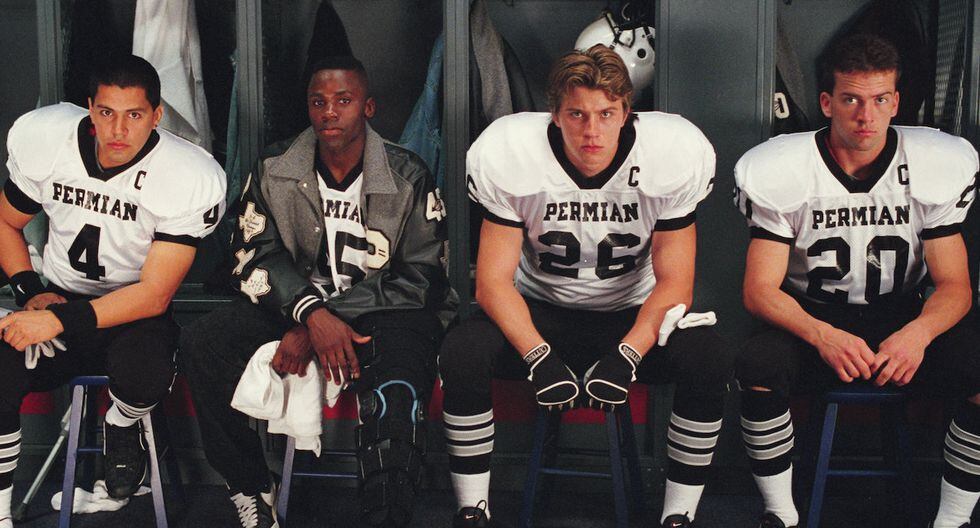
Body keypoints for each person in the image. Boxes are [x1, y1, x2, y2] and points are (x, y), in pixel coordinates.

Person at [440, 45, 732, 528]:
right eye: (576, 114)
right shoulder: (513, 153)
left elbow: (676, 284)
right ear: (555, 115)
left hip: (632, 314)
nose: (591, 130)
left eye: (605, 114)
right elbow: (492, 283)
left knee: (709, 357)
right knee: (462, 350)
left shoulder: (670, 154)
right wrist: (538, 356)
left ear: (626, 112)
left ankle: (678, 515)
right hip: (540, 310)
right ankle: (473, 510)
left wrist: (628, 355)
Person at [180, 55, 456, 528]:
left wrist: (330, 318)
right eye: (318, 102)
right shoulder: (275, 167)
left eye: (343, 101)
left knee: (397, 393)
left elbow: (422, 275)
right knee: (204, 342)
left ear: (368, 107)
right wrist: (311, 314)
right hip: (293, 305)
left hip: (384, 310)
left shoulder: (407, 173)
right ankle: (250, 486)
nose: (329, 112)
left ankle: (387, 515)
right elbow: (251, 253)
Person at [734, 33, 980, 528]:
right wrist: (822, 335)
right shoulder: (786, 168)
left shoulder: (931, 163)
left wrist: (918, 334)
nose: (866, 116)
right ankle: (780, 513)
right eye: (851, 100)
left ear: (896, 103)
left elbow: (955, 286)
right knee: (758, 365)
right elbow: (759, 290)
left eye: (880, 100)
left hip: (901, 317)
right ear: (827, 103)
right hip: (812, 318)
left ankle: (952, 520)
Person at [0, 54, 226, 527]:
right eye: (106, 112)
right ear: (89, 108)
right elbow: (6, 221)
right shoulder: (50, 139)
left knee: (145, 369)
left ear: (157, 115)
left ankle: (122, 425)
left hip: (134, 314)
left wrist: (56, 320)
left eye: (134, 115)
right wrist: (29, 290)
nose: (118, 129)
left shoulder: (185, 172)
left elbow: (155, 295)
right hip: (60, 298)